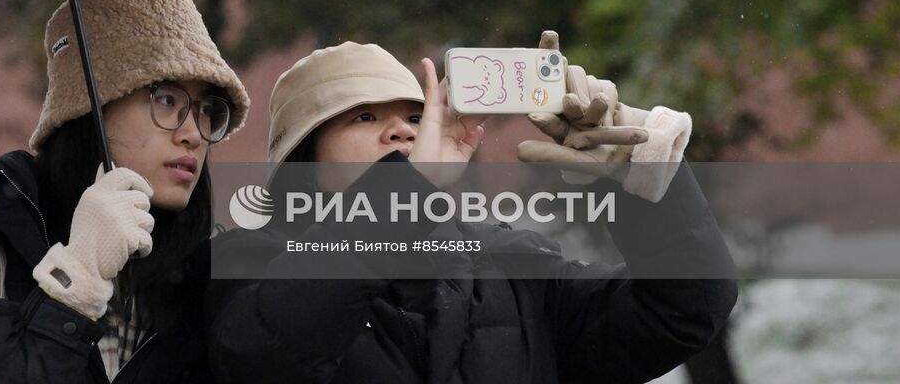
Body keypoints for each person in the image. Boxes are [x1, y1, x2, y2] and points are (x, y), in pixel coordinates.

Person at [207, 36, 738, 384]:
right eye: (364, 117)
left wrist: (642, 174)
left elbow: (680, 313)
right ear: (303, 158)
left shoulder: (511, 265)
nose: (401, 130)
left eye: (417, 116)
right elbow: (264, 354)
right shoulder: (248, 262)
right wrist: (405, 191)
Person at [0, 0, 251, 383]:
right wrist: (73, 284)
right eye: (167, 100)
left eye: (206, 110)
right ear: (87, 112)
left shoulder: (198, 285)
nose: (193, 134)